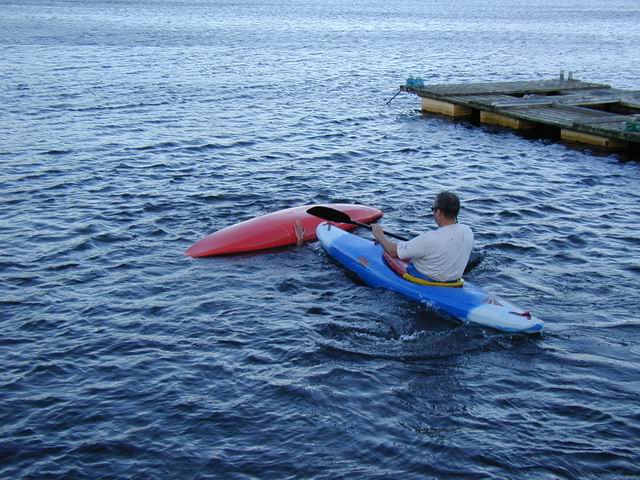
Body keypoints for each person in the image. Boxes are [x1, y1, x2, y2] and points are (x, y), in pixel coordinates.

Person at [372, 191, 474, 282]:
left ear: (438, 212)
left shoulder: (429, 238)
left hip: (424, 278)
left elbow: (392, 252)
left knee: (389, 253)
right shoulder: (468, 231)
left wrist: (380, 236)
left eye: (432, 209)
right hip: (453, 280)